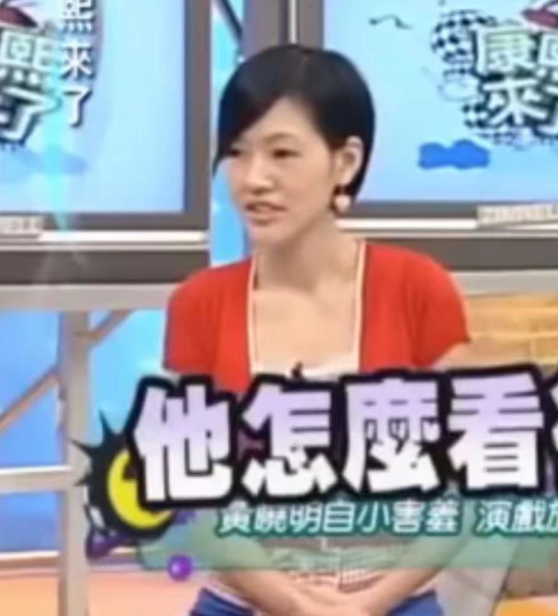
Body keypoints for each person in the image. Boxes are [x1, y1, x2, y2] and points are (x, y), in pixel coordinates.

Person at [164, 44, 470, 616]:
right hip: (242, 603)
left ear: (345, 162)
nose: (254, 179)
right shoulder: (199, 304)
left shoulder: (417, 288)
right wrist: (298, 607)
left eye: (282, 153)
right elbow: (200, 501)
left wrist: (366, 605)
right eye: (237, 153)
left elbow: (458, 495)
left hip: (394, 603)